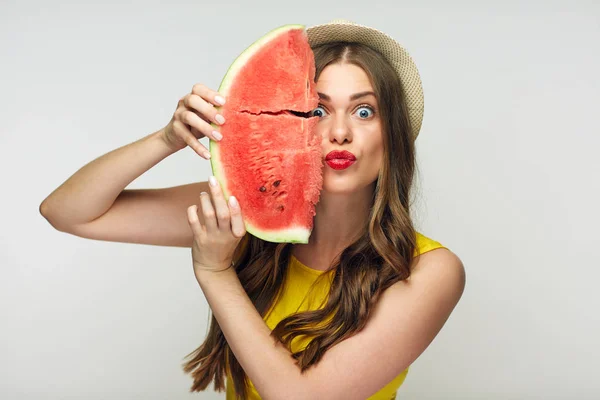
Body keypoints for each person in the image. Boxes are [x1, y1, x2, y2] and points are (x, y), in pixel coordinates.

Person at [40, 19, 466, 400]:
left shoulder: (429, 271)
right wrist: (166, 139)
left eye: (364, 111)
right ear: (288, 121)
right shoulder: (241, 214)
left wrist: (214, 271)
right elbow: (68, 212)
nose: (338, 132)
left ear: (392, 135)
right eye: (317, 110)